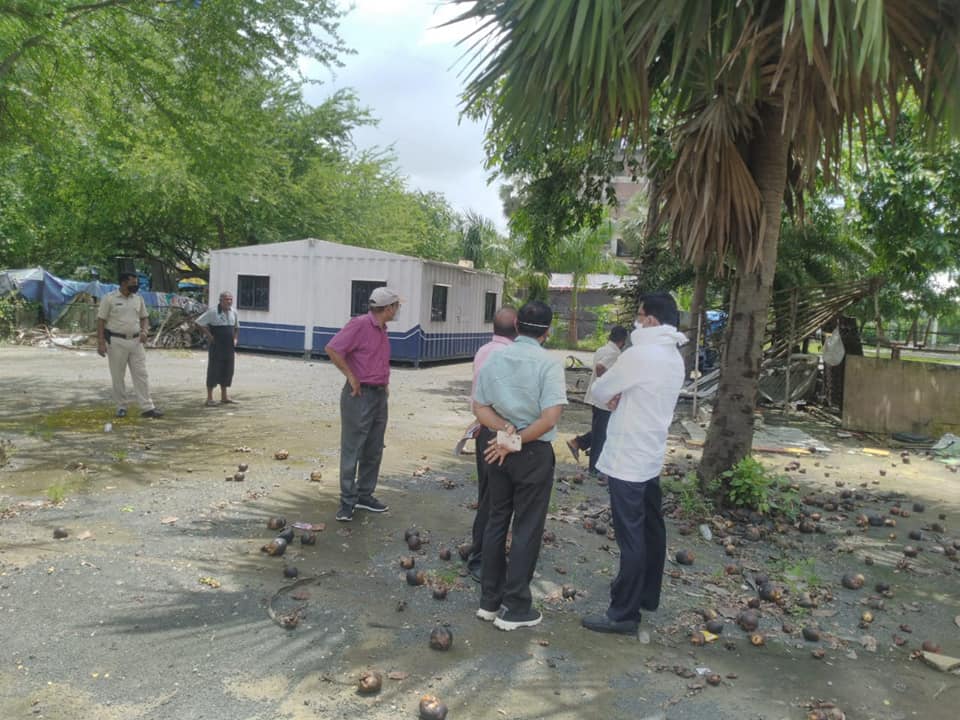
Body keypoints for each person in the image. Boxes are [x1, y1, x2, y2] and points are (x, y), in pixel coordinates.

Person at [580, 293, 687, 635]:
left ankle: (623, 612)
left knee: (632, 537)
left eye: (639, 316)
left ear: (652, 321)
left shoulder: (640, 355)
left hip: (628, 458)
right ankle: (646, 596)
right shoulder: (674, 356)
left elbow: (601, 389)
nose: (636, 322)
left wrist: (614, 394)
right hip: (651, 454)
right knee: (652, 531)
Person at [473, 301, 567, 631]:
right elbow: (550, 418)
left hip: (496, 449)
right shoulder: (549, 364)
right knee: (526, 526)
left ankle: (489, 601)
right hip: (531, 454)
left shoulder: (495, 356)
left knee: (497, 518)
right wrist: (516, 439)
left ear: (515, 327)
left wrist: (503, 432)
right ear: (547, 331)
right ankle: (515, 608)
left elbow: (479, 407)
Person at [325, 287, 401, 522]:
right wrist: (351, 376)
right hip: (359, 395)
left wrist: (384, 384)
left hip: (378, 395)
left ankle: (364, 495)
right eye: (396, 306)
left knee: (374, 448)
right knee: (353, 448)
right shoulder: (359, 325)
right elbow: (333, 348)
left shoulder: (383, 330)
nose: (398, 310)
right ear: (387, 308)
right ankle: (347, 501)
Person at [465, 306, 518, 583]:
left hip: (485, 427)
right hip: (500, 429)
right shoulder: (508, 355)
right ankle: (481, 558)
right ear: (517, 326)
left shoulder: (484, 350)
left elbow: (477, 397)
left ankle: (481, 550)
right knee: (496, 499)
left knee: (488, 493)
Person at [96, 272, 163, 419]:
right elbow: (101, 321)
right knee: (118, 375)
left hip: (136, 341)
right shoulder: (109, 299)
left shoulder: (138, 299)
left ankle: (147, 408)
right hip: (116, 341)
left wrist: (145, 331)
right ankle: (121, 407)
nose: (136, 285)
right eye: (133, 282)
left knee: (141, 374)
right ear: (123, 283)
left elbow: (144, 318)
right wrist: (101, 342)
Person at [566, 325, 629, 474]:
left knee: (601, 429)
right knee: (601, 434)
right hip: (604, 400)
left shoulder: (602, 349)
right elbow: (600, 367)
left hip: (596, 397)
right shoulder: (614, 353)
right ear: (623, 340)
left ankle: (578, 442)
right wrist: (607, 383)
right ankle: (594, 468)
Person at [196, 291, 240, 406]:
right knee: (214, 370)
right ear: (220, 300)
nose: (229, 301)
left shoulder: (234, 312)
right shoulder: (213, 312)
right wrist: (209, 336)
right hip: (217, 345)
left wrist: (235, 339)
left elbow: (236, 327)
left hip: (229, 346)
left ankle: (224, 396)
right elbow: (199, 323)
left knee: (227, 370)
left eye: (230, 299)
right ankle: (209, 398)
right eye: (226, 299)